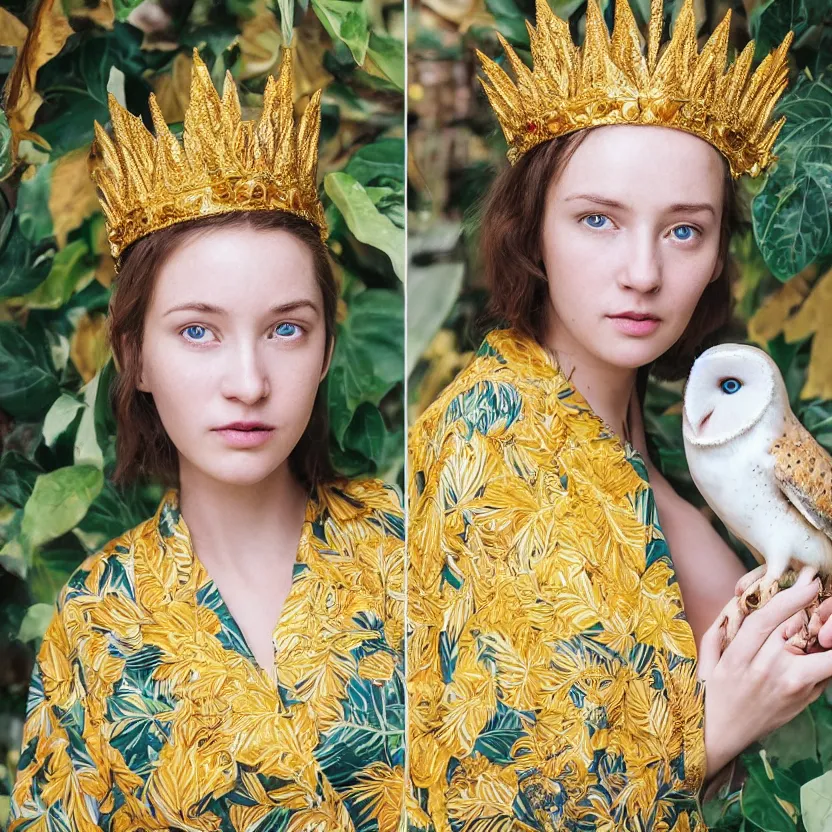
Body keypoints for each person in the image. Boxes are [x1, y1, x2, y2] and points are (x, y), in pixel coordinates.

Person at [406, 0, 832, 829]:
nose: (642, 272)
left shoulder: (694, 445)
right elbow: (460, 796)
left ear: (714, 259)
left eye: (683, 231)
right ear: (532, 230)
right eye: (597, 220)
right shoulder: (483, 442)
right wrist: (709, 737)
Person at [9, 49, 405, 832]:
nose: (249, 381)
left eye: (286, 329)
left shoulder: (421, 552)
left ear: (327, 350)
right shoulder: (97, 619)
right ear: (136, 358)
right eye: (199, 331)